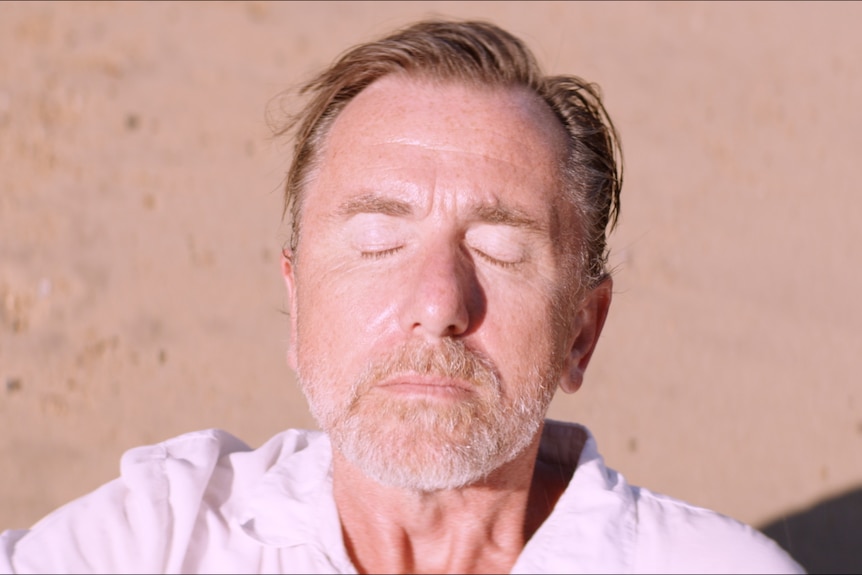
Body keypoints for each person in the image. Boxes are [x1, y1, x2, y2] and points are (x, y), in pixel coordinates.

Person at [1, 19, 802, 574]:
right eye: (378, 242)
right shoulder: (165, 538)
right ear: (297, 300)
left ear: (581, 334)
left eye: (499, 248)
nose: (438, 301)